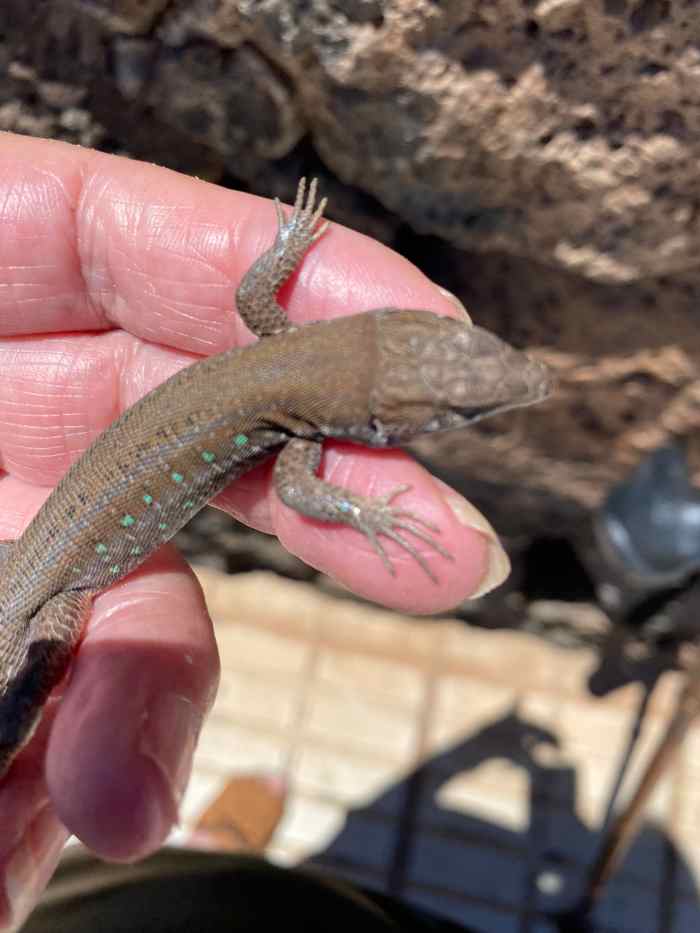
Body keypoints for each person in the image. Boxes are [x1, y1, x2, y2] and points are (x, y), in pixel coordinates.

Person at [0, 132, 509, 929]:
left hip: (29, 553)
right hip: (54, 584)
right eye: (460, 411)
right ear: (370, 424)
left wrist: (286, 251)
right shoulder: (301, 432)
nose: (471, 412)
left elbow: (253, 300)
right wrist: (365, 512)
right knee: (30, 688)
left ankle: (209, 844)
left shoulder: (290, 348)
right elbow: (302, 493)